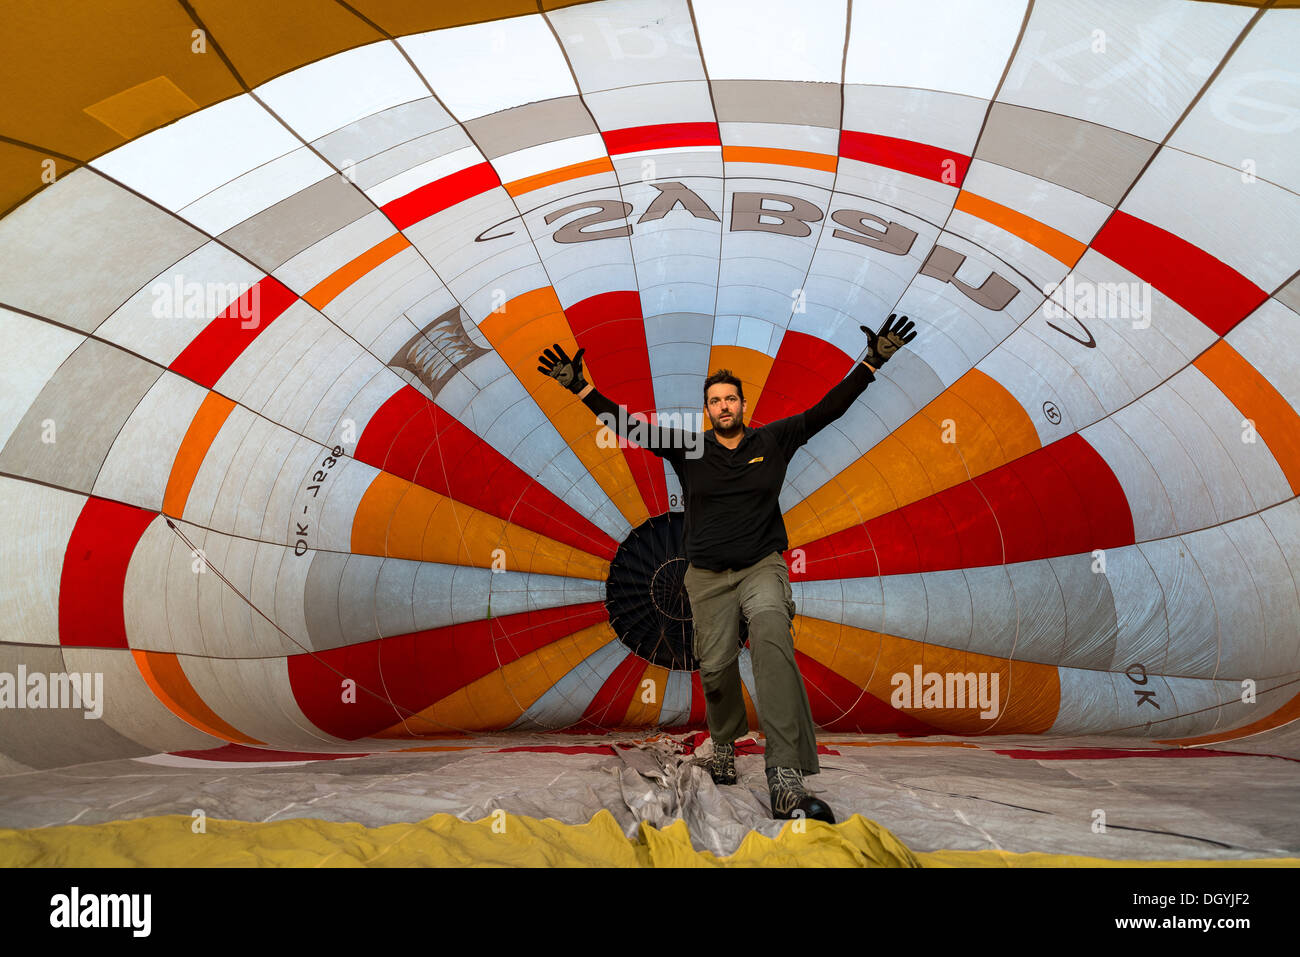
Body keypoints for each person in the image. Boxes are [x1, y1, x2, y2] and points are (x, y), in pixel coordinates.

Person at [538, 314, 917, 823]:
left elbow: (828, 410)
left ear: (742, 405)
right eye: (715, 401)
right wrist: (583, 389)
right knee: (714, 667)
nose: (723, 407)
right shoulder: (691, 447)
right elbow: (632, 428)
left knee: (770, 634)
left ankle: (785, 775)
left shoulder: (772, 441)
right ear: (707, 410)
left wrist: (872, 362)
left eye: (730, 399)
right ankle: (723, 743)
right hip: (707, 576)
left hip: (761, 565)